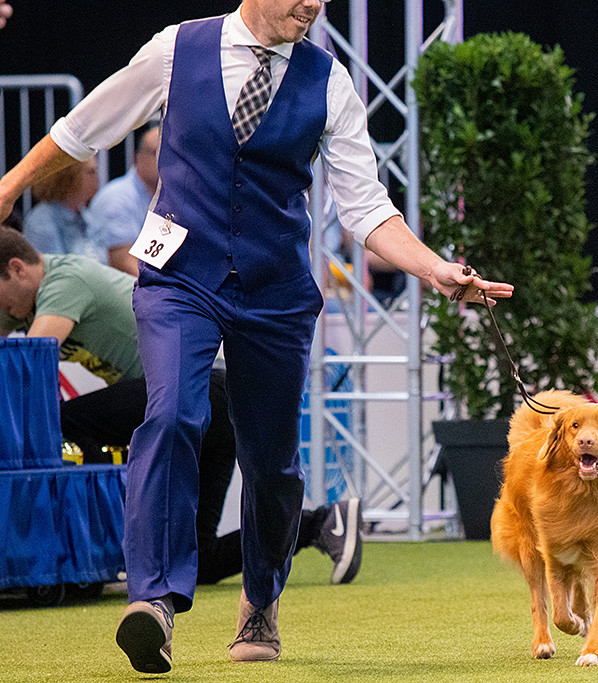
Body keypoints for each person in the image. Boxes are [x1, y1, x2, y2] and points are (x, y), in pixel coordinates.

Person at [0, 0, 512, 674]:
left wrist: (435, 267)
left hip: (275, 292)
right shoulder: (176, 49)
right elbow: (82, 126)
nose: (312, 6)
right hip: (179, 276)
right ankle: (152, 597)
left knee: (270, 462)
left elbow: (366, 207)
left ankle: (260, 598)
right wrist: (8, 186)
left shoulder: (328, 81)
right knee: (172, 413)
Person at [0, 224, 365, 588]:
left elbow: (30, 367)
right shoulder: (26, 302)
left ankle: (107, 540)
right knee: (198, 561)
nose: (4, 310)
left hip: (199, 393)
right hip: (210, 407)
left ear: (17, 268)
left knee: (70, 420)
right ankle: (322, 523)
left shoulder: (65, 282)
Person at [87, 122, 161, 276]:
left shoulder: (164, 195)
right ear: (138, 157)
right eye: (157, 153)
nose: (164, 161)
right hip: (123, 288)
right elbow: (123, 263)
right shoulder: (117, 197)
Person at [22, 159, 105, 264]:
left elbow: (104, 265)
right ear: (68, 177)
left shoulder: (88, 217)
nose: (97, 178)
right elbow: (56, 272)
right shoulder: (41, 220)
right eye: (91, 172)